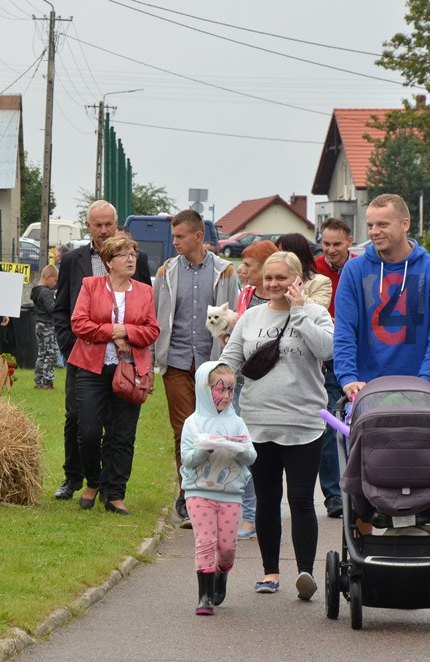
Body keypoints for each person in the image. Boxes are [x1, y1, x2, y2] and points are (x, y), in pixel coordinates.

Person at [219, 251, 334, 599]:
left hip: (303, 423)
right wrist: (218, 383)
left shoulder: (315, 313)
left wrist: (299, 312)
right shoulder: (250, 317)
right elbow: (231, 358)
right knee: (268, 500)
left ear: (297, 280)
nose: (273, 285)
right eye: (269, 278)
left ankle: (305, 574)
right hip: (257, 421)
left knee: (300, 499)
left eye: (282, 278)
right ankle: (270, 572)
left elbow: (326, 349)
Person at [51, 200, 152, 500]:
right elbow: (62, 310)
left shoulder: (138, 259)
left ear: (116, 222)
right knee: (77, 420)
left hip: (124, 360)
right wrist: (71, 347)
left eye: (109, 224)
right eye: (99, 225)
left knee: (117, 425)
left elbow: (145, 309)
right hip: (82, 356)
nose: (105, 230)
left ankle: (109, 485)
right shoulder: (72, 260)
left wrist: (129, 336)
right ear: (88, 226)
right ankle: (74, 478)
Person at [153, 209, 239, 527]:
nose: (174, 242)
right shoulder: (167, 272)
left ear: (198, 237)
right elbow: (156, 315)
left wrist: (227, 363)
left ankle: (213, 491)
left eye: (180, 236)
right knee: (184, 431)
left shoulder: (224, 271)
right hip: (175, 361)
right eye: (173, 236)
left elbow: (230, 323)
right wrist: (154, 358)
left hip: (211, 364)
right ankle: (187, 491)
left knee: (212, 431)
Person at [69, 236, 160, 515]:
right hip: (91, 368)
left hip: (131, 370)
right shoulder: (90, 285)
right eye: (123, 255)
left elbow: (152, 330)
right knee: (88, 431)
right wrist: (113, 331)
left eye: (133, 254)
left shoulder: (145, 291)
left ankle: (115, 492)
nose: (131, 259)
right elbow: (79, 324)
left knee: (122, 435)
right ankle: (93, 481)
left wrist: (126, 333)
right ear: (109, 262)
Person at [334, 194, 430, 400]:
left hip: (418, 389)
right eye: (370, 225)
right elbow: (344, 330)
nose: (374, 232)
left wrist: (426, 381)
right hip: (365, 390)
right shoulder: (354, 270)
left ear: (405, 224)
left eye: (382, 224)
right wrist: (348, 378)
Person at [180, 361, 256, 615]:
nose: (226, 396)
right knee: (205, 541)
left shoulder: (237, 423)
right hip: (198, 492)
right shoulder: (192, 424)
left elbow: (251, 456)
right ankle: (205, 596)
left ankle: (221, 572)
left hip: (230, 494)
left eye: (230, 390)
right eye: (220, 389)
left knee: (226, 547)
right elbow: (188, 459)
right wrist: (203, 449)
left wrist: (240, 450)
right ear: (204, 390)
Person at [230, 239, 277, 539]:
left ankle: (267, 511)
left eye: (248, 265)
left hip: (274, 388)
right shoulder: (245, 296)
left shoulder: (285, 298)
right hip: (243, 383)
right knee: (243, 449)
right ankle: (249, 514)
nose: (241, 269)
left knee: (270, 454)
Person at [312, 218, 354, 519]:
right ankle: (333, 496)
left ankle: (360, 489)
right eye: (326, 244)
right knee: (329, 429)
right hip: (325, 359)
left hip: (355, 357)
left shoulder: (361, 269)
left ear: (349, 242)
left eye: (337, 244)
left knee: (360, 427)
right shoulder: (314, 270)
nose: (331, 250)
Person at [275, 233, 332, 308]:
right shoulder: (272, 281)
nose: (277, 258)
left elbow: (318, 310)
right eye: (276, 254)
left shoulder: (321, 282)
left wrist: (293, 286)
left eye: (282, 254)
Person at [31, 265, 58, 390]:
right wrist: (58, 300)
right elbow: (52, 309)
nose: (56, 283)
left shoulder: (36, 290)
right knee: (51, 354)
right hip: (48, 325)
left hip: (39, 324)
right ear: (48, 277)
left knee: (41, 353)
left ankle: (39, 380)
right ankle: (47, 382)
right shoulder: (46, 292)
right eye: (55, 280)